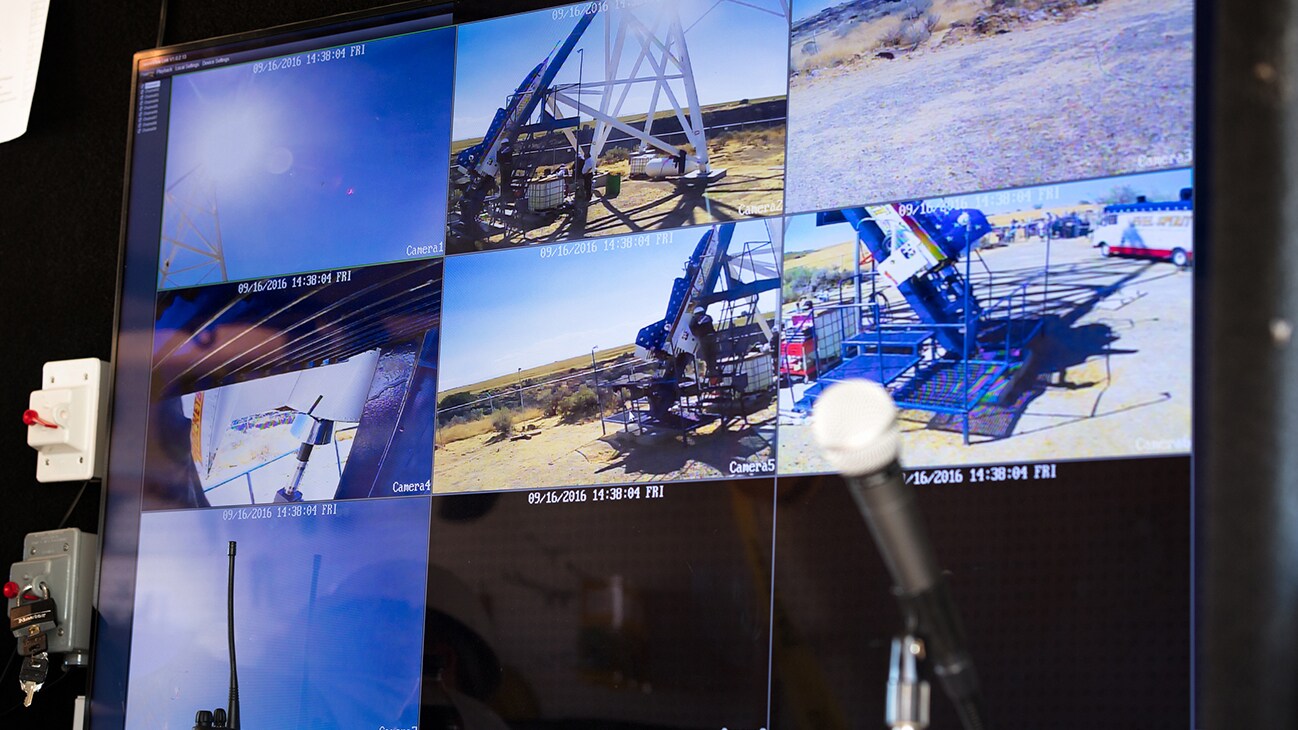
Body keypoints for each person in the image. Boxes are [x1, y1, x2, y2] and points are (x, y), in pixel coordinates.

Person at [688, 305, 719, 377]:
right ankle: (714, 370)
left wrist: (696, 335)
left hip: (704, 338)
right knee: (713, 354)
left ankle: (710, 371)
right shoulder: (708, 317)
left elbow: (692, 328)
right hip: (712, 337)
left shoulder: (695, 319)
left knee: (707, 355)